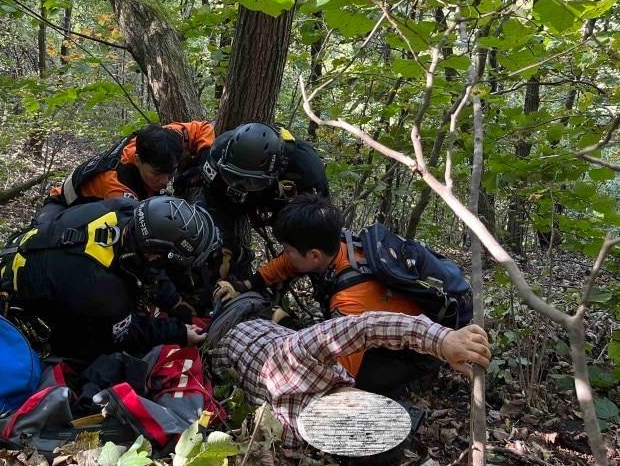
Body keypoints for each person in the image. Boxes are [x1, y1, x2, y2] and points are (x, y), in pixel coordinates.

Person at [235, 194, 465, 400]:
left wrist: (285, 323)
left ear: (314, 255)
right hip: (391, 320)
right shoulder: (340, 245)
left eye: (287, 249)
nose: (285, 255)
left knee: (359, 382)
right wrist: (247, 284)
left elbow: (336, 370)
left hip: (417, 347)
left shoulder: (351, 299)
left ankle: (400, 392)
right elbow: (290, 262)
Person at [202, 292, 490, 449]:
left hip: (228, 337)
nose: (364, 394)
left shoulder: (299, 358)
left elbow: (365, 327)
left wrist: (441, 341)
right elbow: (365, 327)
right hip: (247, 329)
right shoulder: (293, 437)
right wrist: (441, 340)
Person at [0, 195, 219, 362]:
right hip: (24, 297)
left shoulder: (126, 210)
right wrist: (178, 333)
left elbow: (149, 268)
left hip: (33, 247)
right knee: (99, 354)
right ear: (154, 255)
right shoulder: (107, 292)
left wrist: (173, 303)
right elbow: (126, 332)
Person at [194, 122, 328, 280]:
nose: (242, 186)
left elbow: (318, 231)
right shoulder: (218, 152)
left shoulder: (306, 170)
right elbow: (212, 204)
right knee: (209, 238)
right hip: (227, 197)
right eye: (236, 176)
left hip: (278, 201)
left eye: (249, 181)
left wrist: (267, 276)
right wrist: (226, 245)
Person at [46, 121, 215, 209]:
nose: (164, 181)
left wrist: (205, 160)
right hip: (62, 207)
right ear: (137, 160)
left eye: (170, 173)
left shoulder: (162, 139)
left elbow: (202, 128)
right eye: (156, 174)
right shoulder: (117, 186)